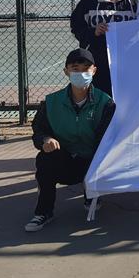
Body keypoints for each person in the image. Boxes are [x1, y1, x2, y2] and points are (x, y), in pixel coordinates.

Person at [25, 48, 115, 231]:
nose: (81, 73)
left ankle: (92, 193)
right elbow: (38, 130)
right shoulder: (51, 102)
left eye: (86, 68)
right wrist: (45, 140)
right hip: (65, 160)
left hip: (93, 162)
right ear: (66, 71)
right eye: (75, 68)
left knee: (100, 153)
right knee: (44, 159)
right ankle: (43, 212)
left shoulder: (105, 102)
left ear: (94, 71)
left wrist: (97, 167)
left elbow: (107, 138)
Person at [69, 0, 138, 96]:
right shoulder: (89, 1)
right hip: (98, 62)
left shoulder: (131, 2)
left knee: (125, 97)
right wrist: (93, 32)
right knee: (101, 99)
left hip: (126, 62)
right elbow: (76, 28)